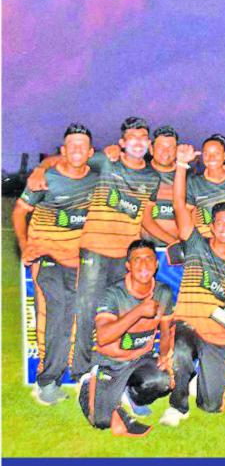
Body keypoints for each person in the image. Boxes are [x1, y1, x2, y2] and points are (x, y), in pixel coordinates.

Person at [29, 117, 165, 380]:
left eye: (142, 138)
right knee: (86, 311)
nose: (138, 142)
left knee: (119, 315)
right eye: (132, 137)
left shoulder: (151, 177)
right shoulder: (105, 161)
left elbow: (145, 219)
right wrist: (39, 170)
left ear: (148, 144)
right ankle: (81, 372)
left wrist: (172, 241)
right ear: (123, 143)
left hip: (125, 259)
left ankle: (113, 370)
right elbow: (66, 159)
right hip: (94, 252)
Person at [159, 144, 225, 427]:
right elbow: (178, 205)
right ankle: (177, 405)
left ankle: (205, 386)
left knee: (212, 406)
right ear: (211, 227)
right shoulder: (197, 245)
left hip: (216, 335)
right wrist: (182, 165)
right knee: (181, 351)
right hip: (187, 325)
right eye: (219, 222)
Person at [13, 123, 98, 405]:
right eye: (71, 145)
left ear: (90, 152)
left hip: (78, 260)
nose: (76, 150)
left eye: (81, 146)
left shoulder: (97, 180)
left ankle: (78, 373)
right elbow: (19, 213)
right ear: (62, 151)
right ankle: (48, 381)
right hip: (47, 257)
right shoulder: (45, 179)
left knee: (79, 315)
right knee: (57, 310)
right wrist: (25, 247)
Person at [78, 240, 174, 436]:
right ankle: (91, 383)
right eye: (137, 260)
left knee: (164, 380)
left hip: (140, 360)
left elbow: (166, 331)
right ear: (128, 265)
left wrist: (165, 357)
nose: (144, 265)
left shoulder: (163, 291)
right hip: (110, 362)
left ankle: (132, 395)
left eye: (149, 259)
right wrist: (139, 311)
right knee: (103, 422)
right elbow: (103, 337)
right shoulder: (112, 294)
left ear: (156, 264)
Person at [184, 134, 225, 242]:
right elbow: (187, 215)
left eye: (216, 153)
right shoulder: (194, 182)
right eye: (207, 154)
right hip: (204, 244)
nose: (211, 158)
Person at [143, 126, 181, 246]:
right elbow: (145, 219)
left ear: (177, 150)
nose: (166, 152)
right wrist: (174, 243)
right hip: (146, 251)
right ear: (151, 149)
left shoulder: (186, 177)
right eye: (161, 147)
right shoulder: (140, 174)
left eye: (170, 147)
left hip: (180, 252)